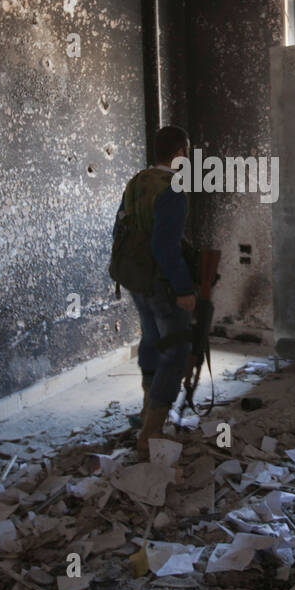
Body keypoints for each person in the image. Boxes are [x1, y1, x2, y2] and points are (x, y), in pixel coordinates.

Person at [112, 125, 196, 455]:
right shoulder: (174, 188)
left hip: (135, 277)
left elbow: (121, 225)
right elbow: (165, 246)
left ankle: (148, 410)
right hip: (161, 281)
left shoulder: (138, 180)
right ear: (179, 154)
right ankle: (151, 433)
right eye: (186, 152)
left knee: (150, 339)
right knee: (174, 351)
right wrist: (184, 288)